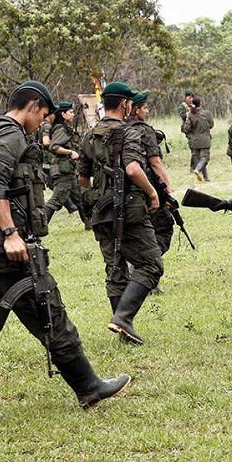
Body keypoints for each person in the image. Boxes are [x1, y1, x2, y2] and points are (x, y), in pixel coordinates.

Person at [0, 81, 130, 422]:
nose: (44, 124)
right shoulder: (12, 135)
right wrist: (10, 232)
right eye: (44, 116)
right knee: (50, 312)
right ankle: (89, 387)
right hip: (12, 247)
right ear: (33, 106)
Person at [78, 81, 164, 346]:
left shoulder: (89, 135)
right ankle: (123, 318)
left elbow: (82, 178)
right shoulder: (128, 133)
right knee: (151, 264)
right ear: (125, 104)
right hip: (130, 209)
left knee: (115, 268)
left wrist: (97, 199)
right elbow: (133, 170)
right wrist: (152, 193)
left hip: (101, 210)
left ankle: (123, 328)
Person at [127, 91, 175, 264]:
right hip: (147, 187)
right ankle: (145, 269)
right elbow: (155, 163)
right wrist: (168, 190)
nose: (147, 111)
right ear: (136, 109)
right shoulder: (144, 130)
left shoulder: (119, 129)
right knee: (162, 229)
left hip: (124, 192)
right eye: (145, 108)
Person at [44, 101, 90, 228]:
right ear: (63, 114)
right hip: (62, 171)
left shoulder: (64, 127)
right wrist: (70, 152)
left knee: (79, 198)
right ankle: (40, 226)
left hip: (69, 171)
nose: (73, 114)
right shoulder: (61, 129)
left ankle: (89, 223)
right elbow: (54, 147)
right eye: (70, 112)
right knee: (57, 200)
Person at [182, 96, 214, 181]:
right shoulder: (206, 113)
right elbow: (211, 125)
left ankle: (205, 177)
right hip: (205, 140)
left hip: (194, 141)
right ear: (200, 103)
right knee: (204, 158)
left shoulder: (190, 115)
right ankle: (197, 170)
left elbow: (186, 129)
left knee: (199, 159)